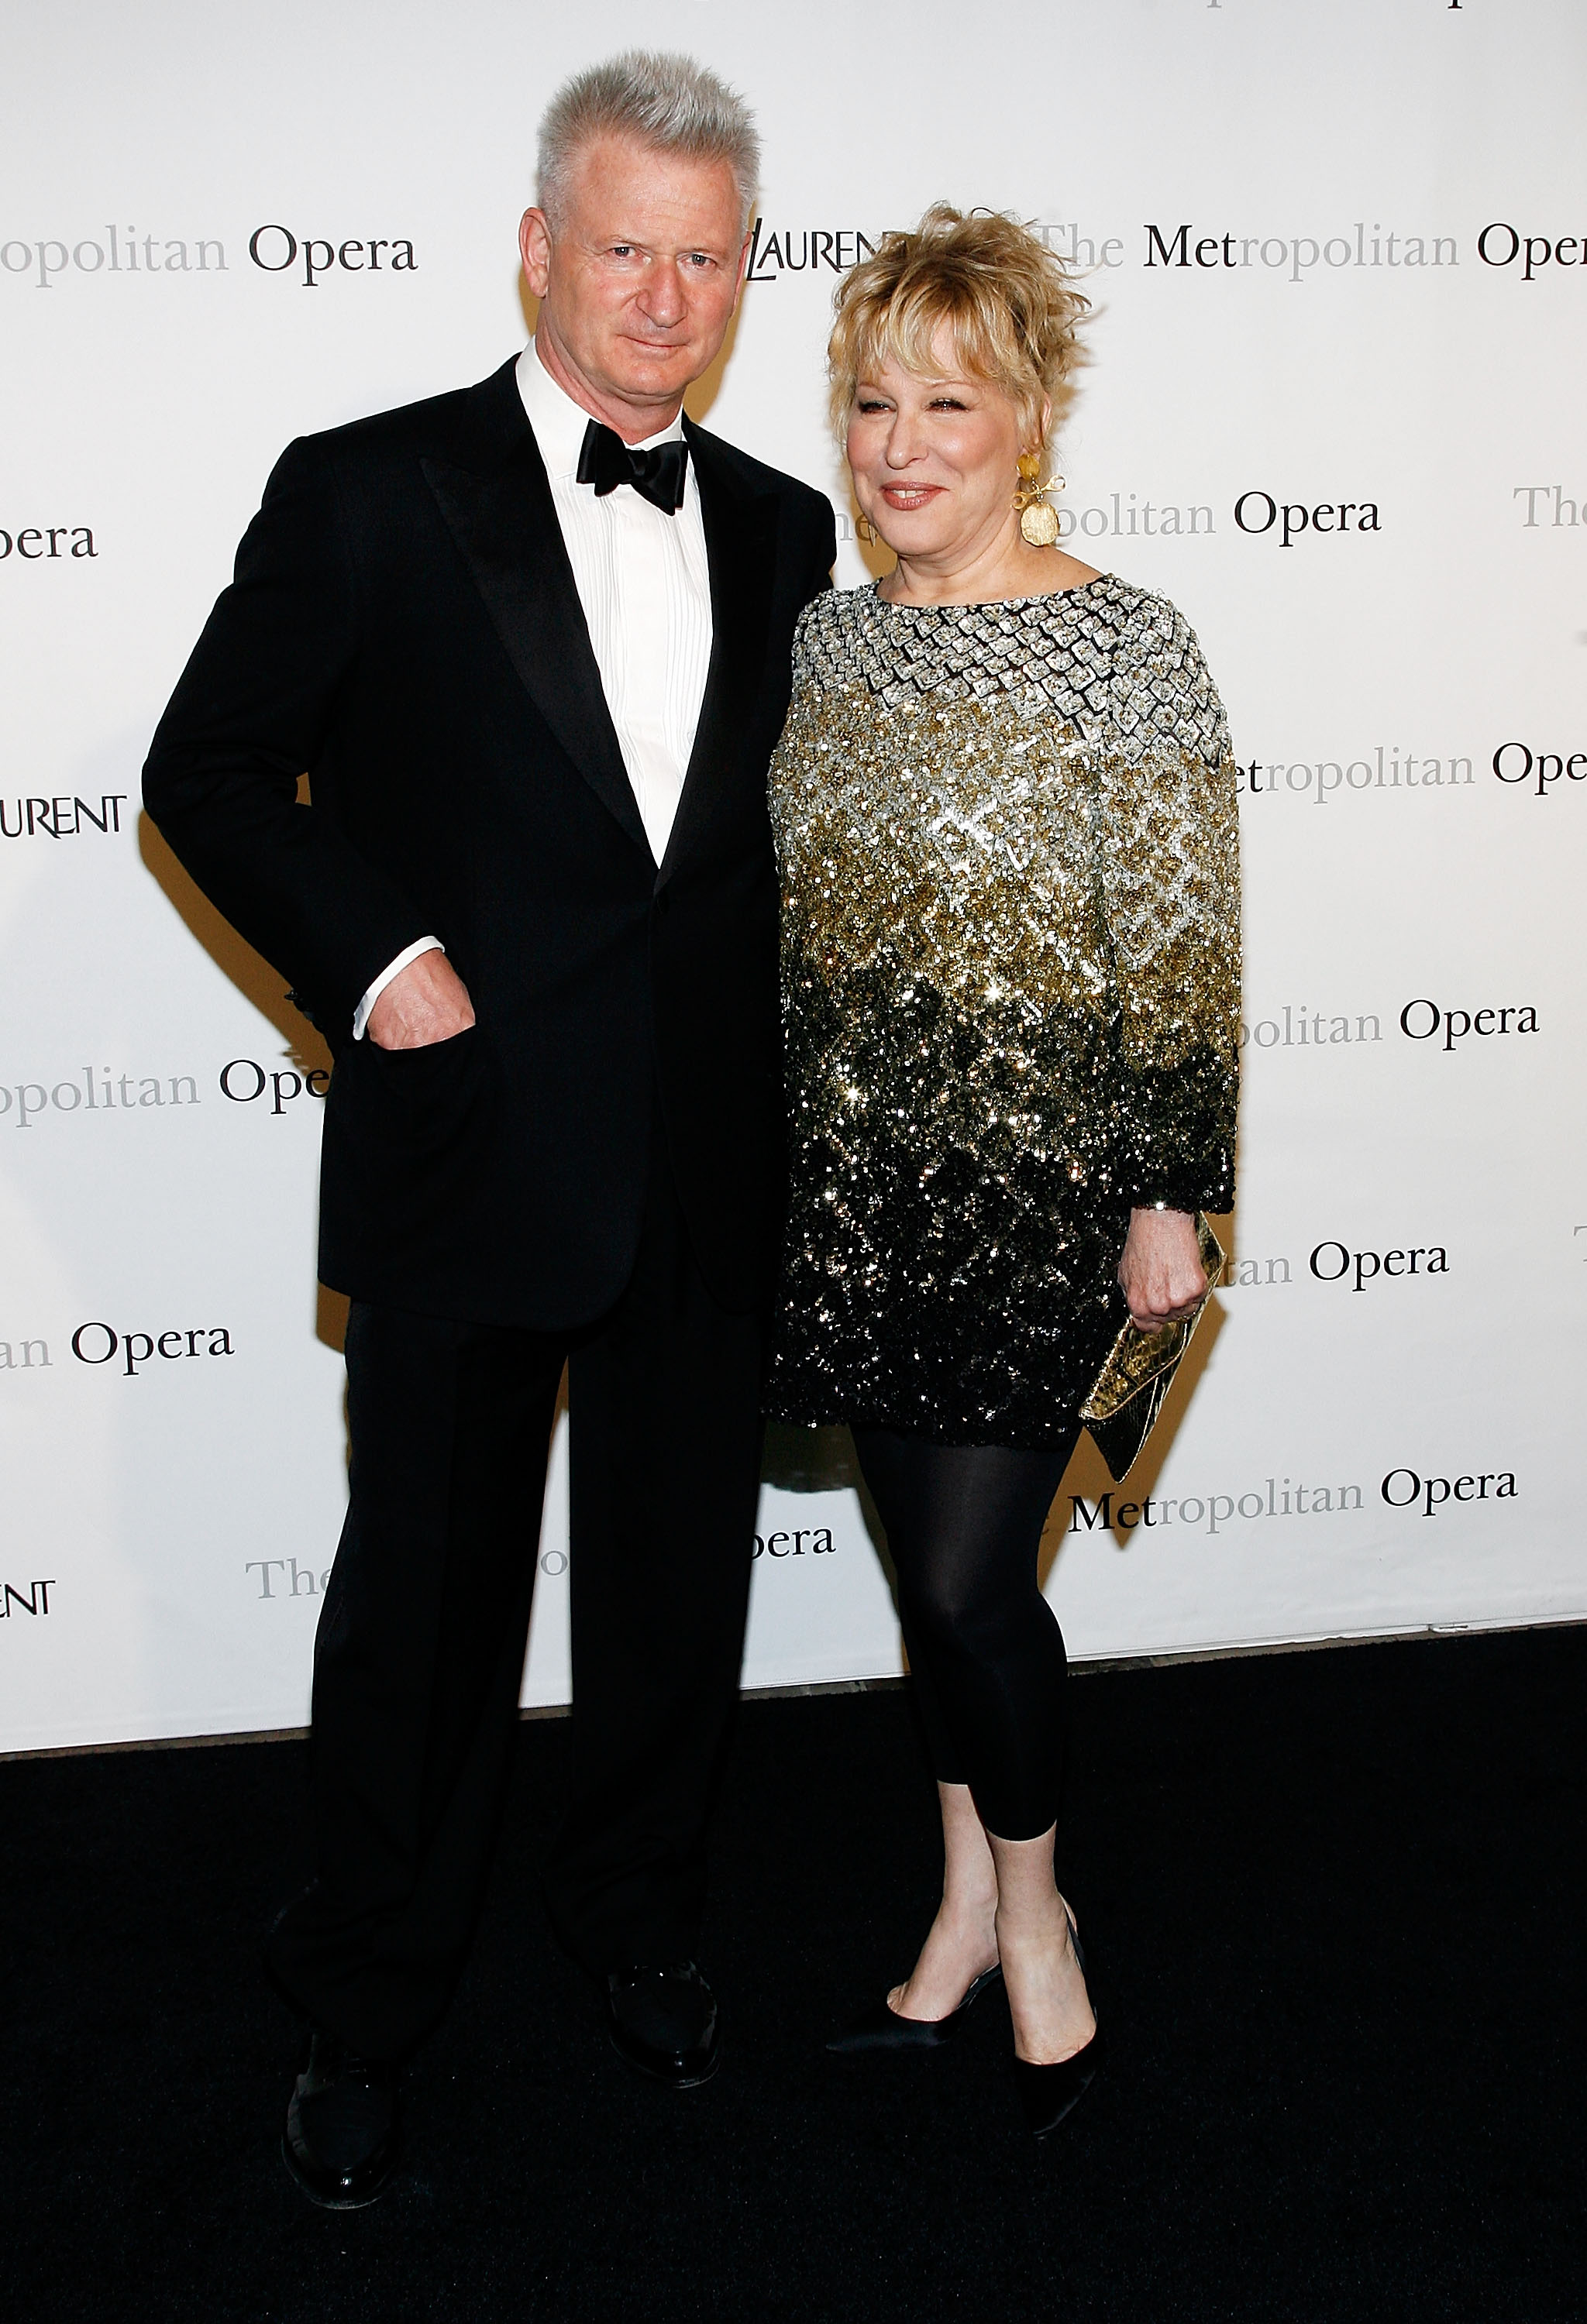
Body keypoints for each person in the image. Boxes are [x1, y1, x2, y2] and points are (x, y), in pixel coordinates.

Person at [143, 52, 835, 2207]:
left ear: (743, 275)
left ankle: (637, 1924)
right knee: (427, 1609)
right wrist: (377, 963)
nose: (662, 295)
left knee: (668, 1601)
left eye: (704, 257)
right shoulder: (368, 487)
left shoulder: (796, 528)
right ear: (538, 247)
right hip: (467, 1145)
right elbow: (212, 768)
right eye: (623, 247)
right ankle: (366, 2002)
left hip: (706, 1167)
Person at [766, 206, 1241, 2137]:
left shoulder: (1128, 646)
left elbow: (1185, 933)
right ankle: (961, 1903)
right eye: (872, 398)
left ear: (1028, 417)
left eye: (946, 399)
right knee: (927, 1587)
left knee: (973, 1595)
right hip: (855, 1197)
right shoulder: (828, 633)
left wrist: (1170, 1191)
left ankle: (1039, 1930)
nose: (900, 443)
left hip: (1040, 1204)